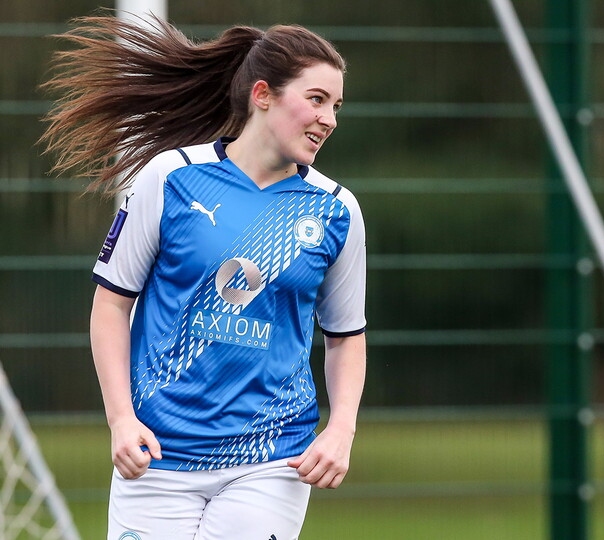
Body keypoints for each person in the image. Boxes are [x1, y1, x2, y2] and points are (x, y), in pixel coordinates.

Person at [40, 13, 367, 540]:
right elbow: (111, 304)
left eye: (336, 106)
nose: (329, 119)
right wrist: (121, 419)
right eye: (316, 99)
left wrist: (341, 429)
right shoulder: (171, 178)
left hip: (271, 456)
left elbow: (346, 337)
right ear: (263, 95)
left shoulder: (336, 210)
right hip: (158, 452)